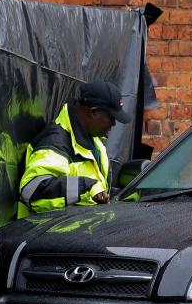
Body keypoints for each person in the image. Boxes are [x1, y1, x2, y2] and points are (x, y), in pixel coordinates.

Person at [18, 79, 131, 215]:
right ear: (94, 112)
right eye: (111, 118)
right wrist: (85, 187)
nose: (113, 124)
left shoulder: (94, 143)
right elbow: (31, 191)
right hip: (48, 234)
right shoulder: (55, 144)